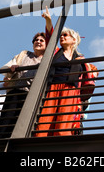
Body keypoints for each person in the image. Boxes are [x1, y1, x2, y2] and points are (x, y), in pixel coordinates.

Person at [34, 8, 88, 137]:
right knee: (44, 124)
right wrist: (48, 20)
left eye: (66, 35)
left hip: (70, 91)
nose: (62, 37)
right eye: (61, 35)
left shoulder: (80, 58)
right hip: (53, 88)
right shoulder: (55, 52)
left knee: (63, 126)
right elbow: (50, 37)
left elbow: (86, 82)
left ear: (74, 40)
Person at [0, 30, 48, 139]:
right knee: (6, 121)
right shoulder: (24, 54)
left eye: (42, 40)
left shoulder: (47, 59)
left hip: (32, 95)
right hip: (15, 92)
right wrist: (12, 68)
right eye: (36, 40)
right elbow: (9, 67)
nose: (38, 42)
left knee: (23, 123)